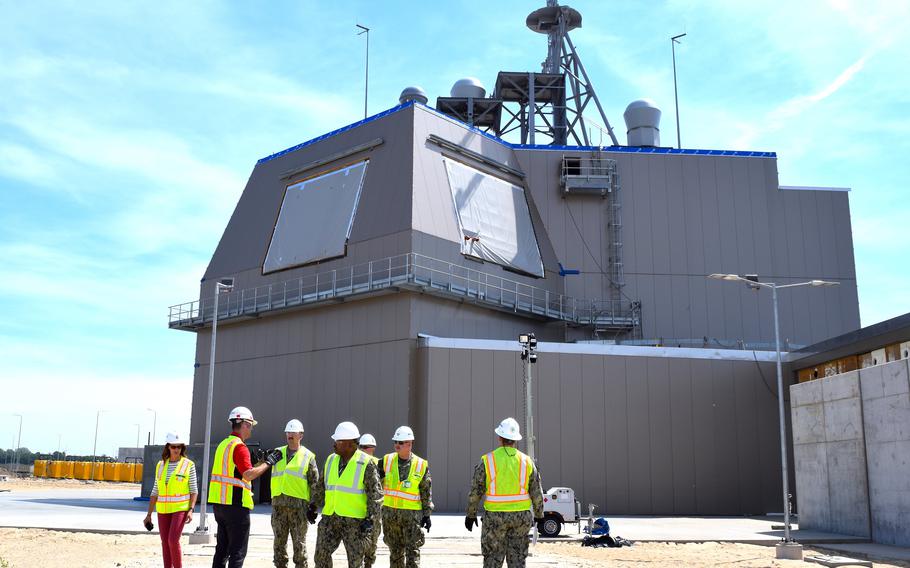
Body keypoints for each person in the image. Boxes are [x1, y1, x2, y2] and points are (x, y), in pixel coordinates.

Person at [464, 418, 544, 568]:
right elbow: (536, 491)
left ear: (499, 437)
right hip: (521, 518)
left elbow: (476, 490)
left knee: (492, 560)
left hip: (495, 518)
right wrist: (539, 515)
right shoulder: (527, 461)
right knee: (518, 561)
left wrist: (471, 514)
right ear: (516, 440)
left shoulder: (488, 460)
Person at [209, 406, 282, 568]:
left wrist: (256, 460)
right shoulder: (240, 447)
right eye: (251, 425)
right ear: (245, 424)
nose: (251, 430)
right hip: (236, 507)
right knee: (237, 553)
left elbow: (233, 471)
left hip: (219, 505)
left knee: (222, 550)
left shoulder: (224, 444)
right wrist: (268, 462)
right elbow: (248, 475)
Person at [312, 421, 383, 568]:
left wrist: (370, 520)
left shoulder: (366, 463)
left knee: (355, 562)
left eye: (338, 441)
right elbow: (321, 486)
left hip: (355, 523)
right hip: (331, 518)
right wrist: (313, 506)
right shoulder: (331, 460)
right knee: (321, 556)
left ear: (350, 444)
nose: (334, 444)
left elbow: (375, 496)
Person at [144, 431, 198, 568]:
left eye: (179, 447)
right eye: (173, 447)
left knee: (173, 541)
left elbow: (193, 490)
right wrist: (149, 514)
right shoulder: (160, 465)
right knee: (165, 542)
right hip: (162, 509)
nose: (176, 450)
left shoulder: (188, 465)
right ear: (168, 447)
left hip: (180, 509)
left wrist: (191, 510)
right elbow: (155, 491)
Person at [381, 426, 433, 568]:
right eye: (395, 441)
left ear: (409, 444)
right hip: (390, 517)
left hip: (412, 518)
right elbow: (375, 485)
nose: (397, 444)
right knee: (395, 554)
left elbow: (426, 491)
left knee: (413, 553)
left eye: (401, 442)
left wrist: (427, 515)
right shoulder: (386, 460)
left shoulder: (421, 465)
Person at [271, 419, 319, 568]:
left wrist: (313, 506)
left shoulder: (308, 456)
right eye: (288, 432)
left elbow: (315, 484)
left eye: (293, 432)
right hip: (279, 506)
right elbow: (263, 466)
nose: (290, 434)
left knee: (299, 544)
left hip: (299, 509)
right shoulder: (277, 452)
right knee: (279, 544)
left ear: (301, 435)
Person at [357, 433, 381, 568]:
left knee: (372, 545)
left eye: (367, 447)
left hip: (375, 514)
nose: (364, 450)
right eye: (362, 447)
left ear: (373, 448)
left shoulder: (379, 464)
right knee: (358, 545)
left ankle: (369, 565)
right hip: (359, 510)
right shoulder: (356, 463)